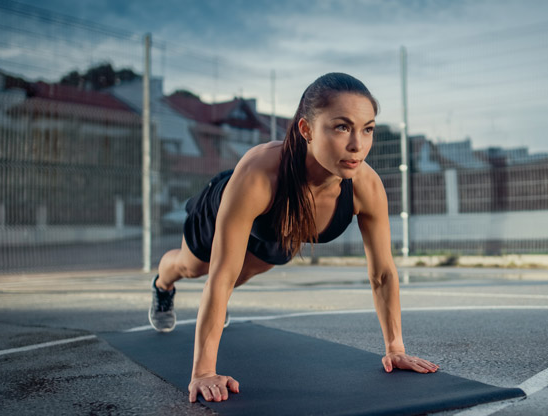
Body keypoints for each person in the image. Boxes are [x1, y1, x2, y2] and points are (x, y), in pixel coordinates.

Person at [149, 73, 439, 403]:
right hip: (223, 208)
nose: (358, 145)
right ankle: (162, 285)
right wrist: (203, 372)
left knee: (246, 272)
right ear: (307, 130)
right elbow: (220, 275)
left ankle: (211, 307)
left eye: (367, 128)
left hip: (280, 231)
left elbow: (383, 273)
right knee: (196, 267)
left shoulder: (366, 186)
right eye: (342, 127)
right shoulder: (259, 176)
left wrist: (396, 348)